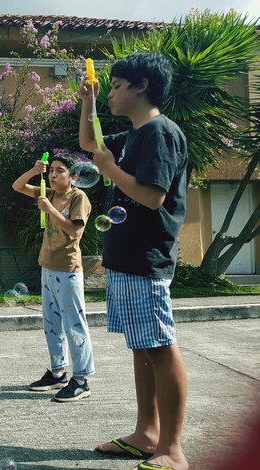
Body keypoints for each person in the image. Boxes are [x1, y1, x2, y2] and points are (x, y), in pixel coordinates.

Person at [77, 52, 189, 470]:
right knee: (142, 348)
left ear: (141, 85)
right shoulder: (134, 135)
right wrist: (87, 101)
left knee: (159, 347)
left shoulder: (159, 132)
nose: (110, 94)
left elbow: (151, 196)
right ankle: (146, 434)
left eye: (116, 86)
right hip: (126, 257)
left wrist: (109, 169)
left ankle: (173, 449)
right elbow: (91, 144)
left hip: (146, 257)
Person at [12, 152, 95, 402]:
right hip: (47, 267)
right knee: (51, 324)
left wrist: (50, 210)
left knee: (74, 325)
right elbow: (17, 186)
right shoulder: (47, 192)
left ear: (73, 176)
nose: (54, 175)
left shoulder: (78, 197)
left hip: (68, 270)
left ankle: (81, 380)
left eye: (60, 170)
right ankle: (58, 372)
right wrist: (32, 170)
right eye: (52, 171)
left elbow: (74, 230)